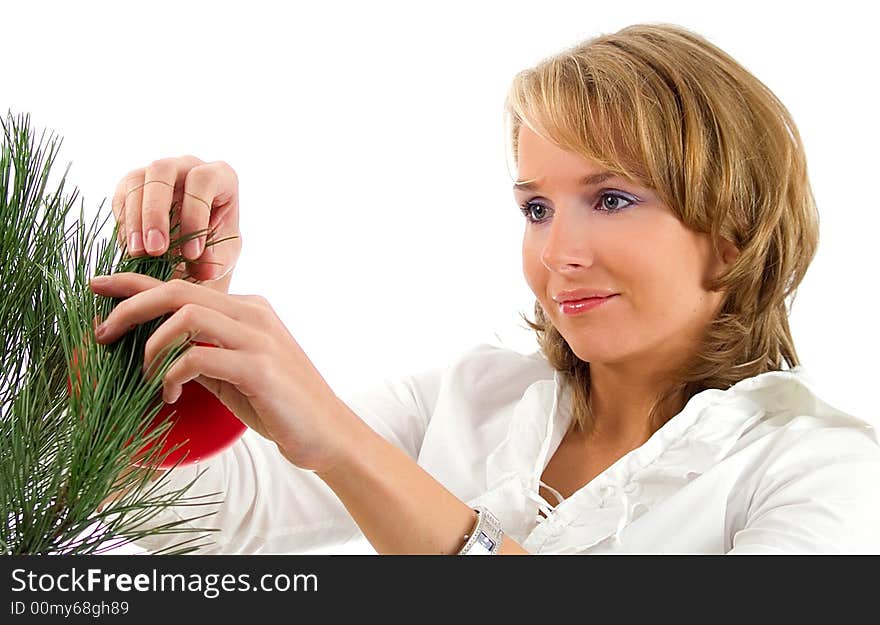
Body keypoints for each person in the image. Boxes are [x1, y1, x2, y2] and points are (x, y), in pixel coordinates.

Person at [90, 23, 880, 554]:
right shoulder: (471, 397)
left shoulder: (818, 467)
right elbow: (200, 514)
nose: (558, 252)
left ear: (733, 229)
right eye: (536, 206)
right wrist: (155, 324)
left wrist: (342, 441)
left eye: (611, 198)